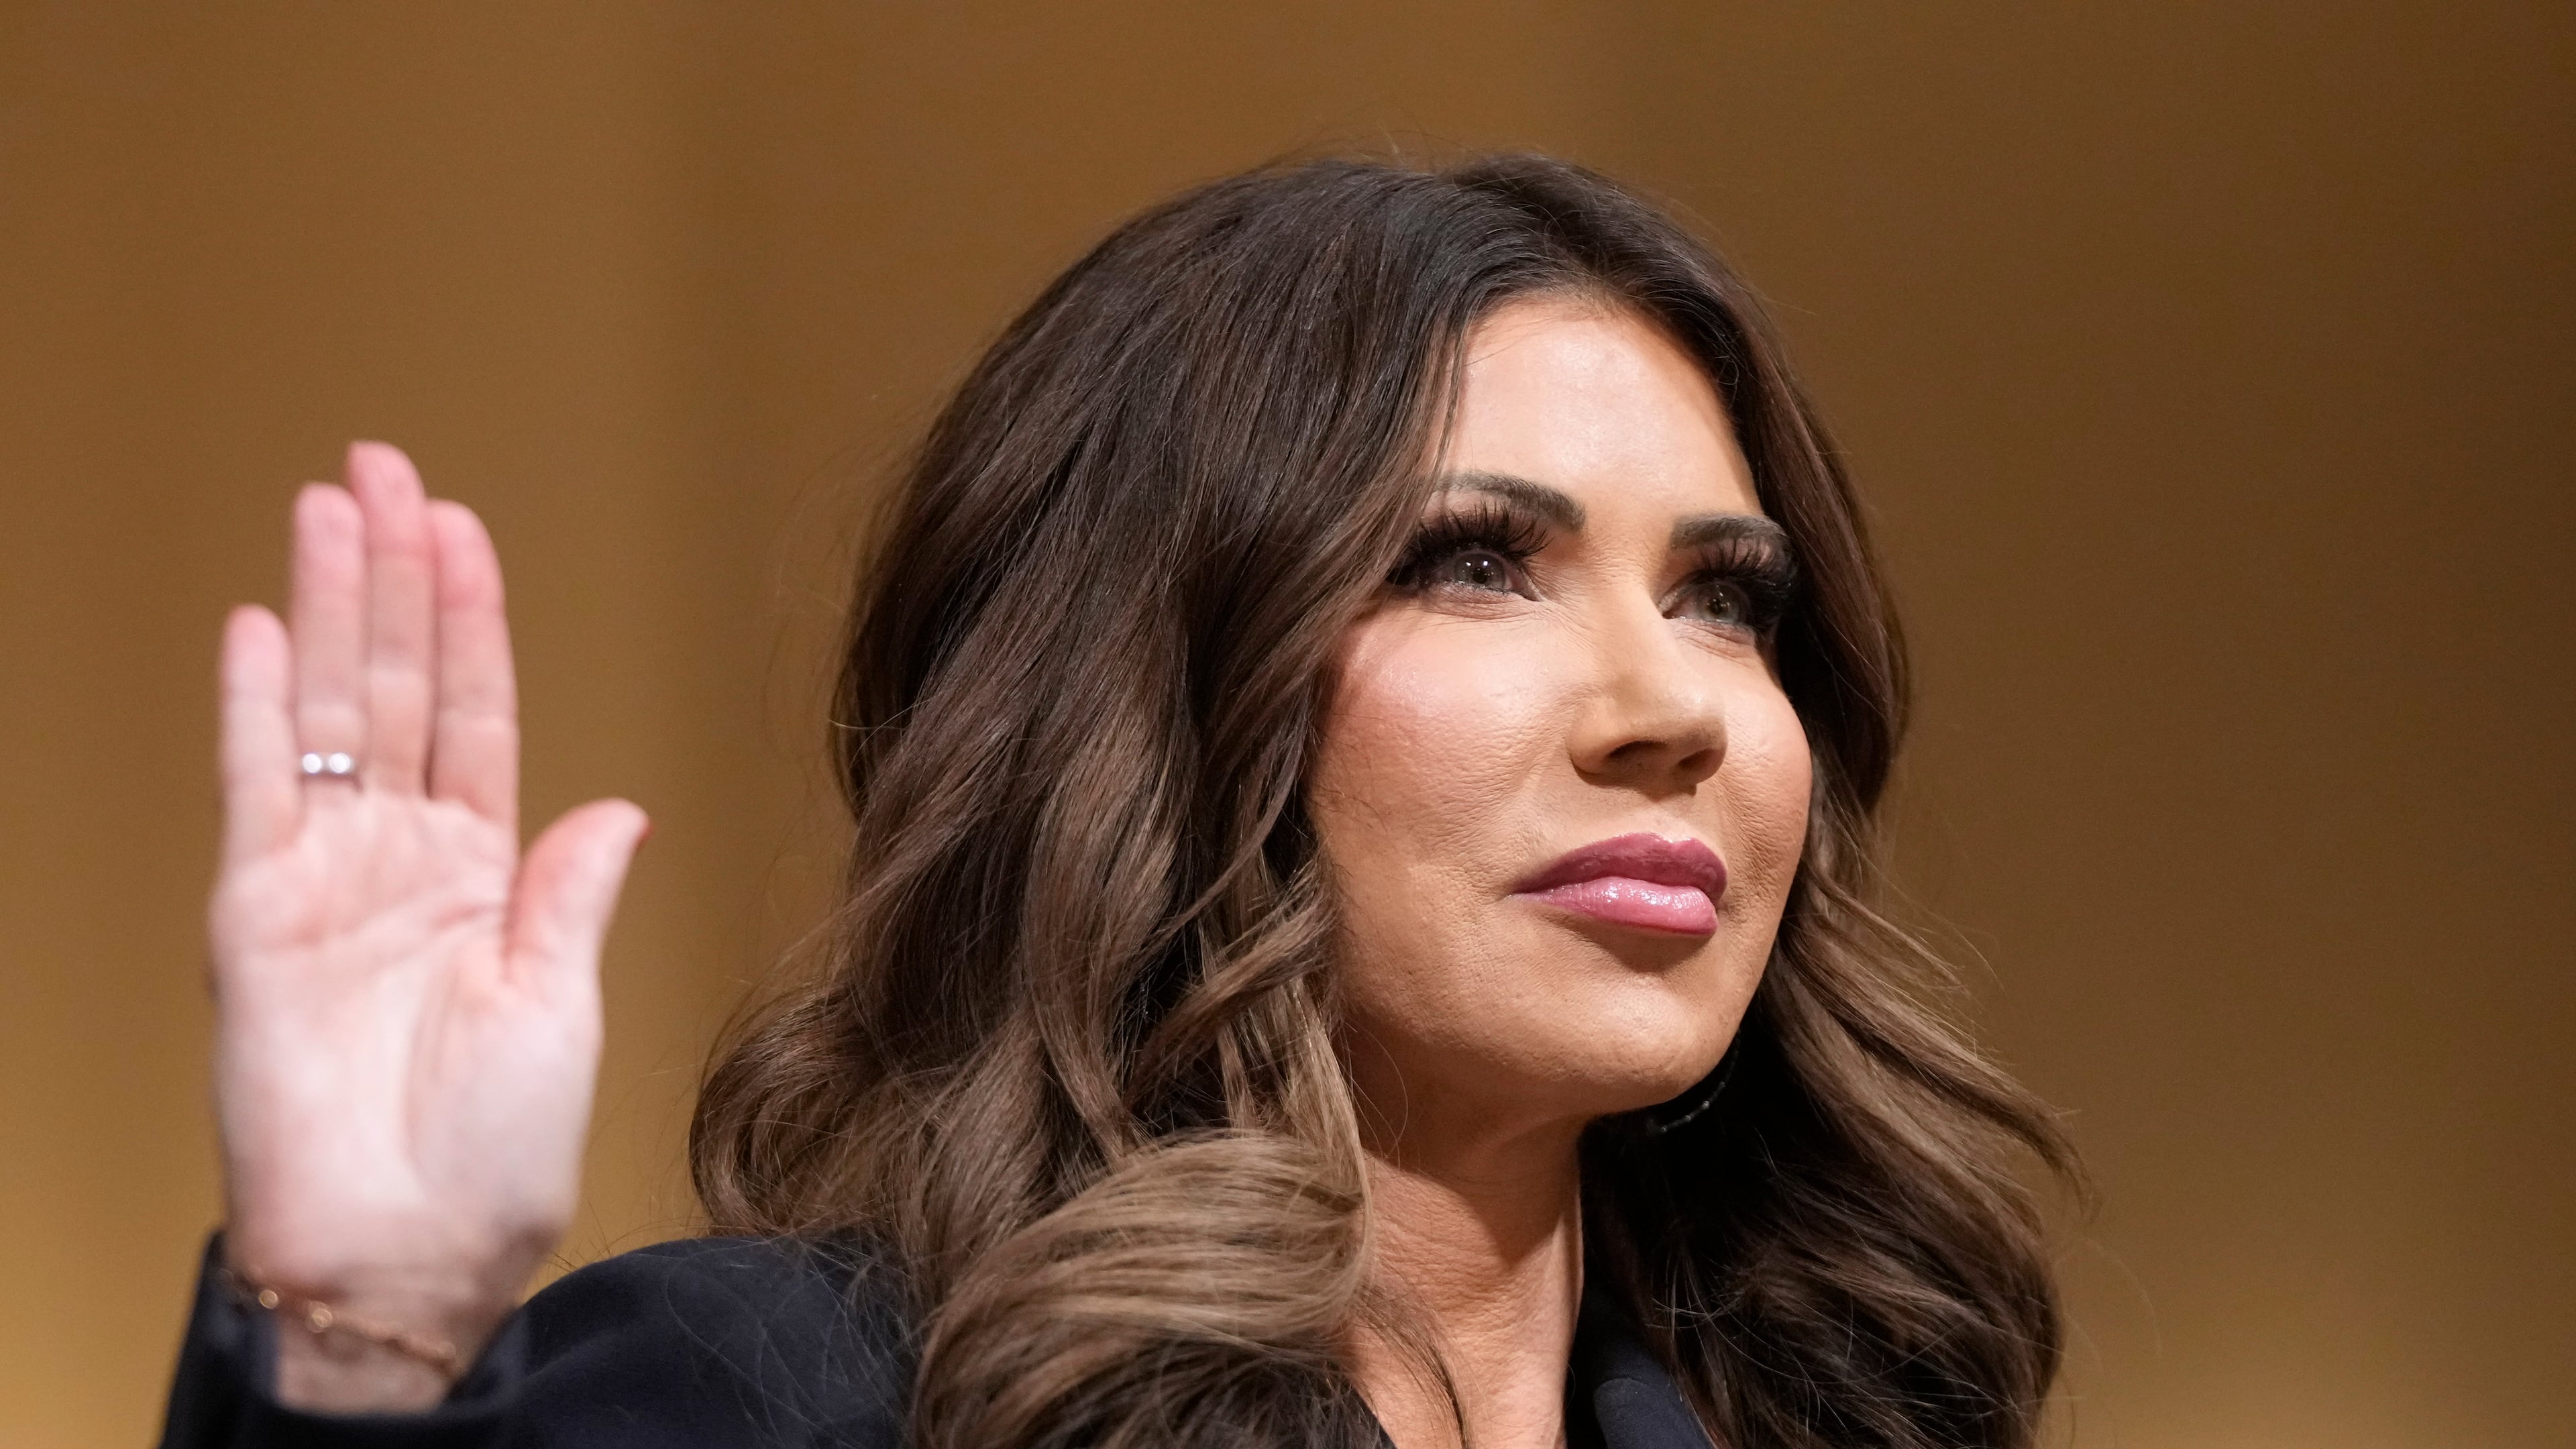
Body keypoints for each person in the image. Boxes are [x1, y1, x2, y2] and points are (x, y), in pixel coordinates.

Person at [158, 154, 2071, 1449]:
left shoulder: (1851, 1414)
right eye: (1474, 563)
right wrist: (352, 1341)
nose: (1673, 709)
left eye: (1726, 600)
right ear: (1156, 688)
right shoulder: (785, 1398)